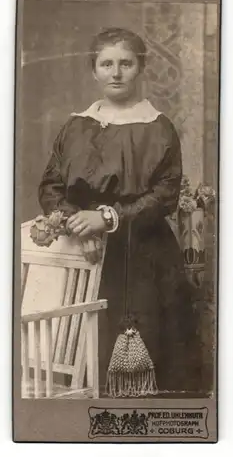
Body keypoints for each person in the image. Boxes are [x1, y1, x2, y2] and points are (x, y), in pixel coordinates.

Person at [38, 27, 201, 396]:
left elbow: (165, 194)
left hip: (145, 258)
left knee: (153, 360)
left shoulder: (159, 128)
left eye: (125, 63)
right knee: (81, 366)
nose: (116, 72)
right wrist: (81, 227)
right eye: (106, 63)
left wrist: (108, 218)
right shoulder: (75, 126)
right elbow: (51, 187)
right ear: (93, 70)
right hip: (85, 257)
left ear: (140, 68)